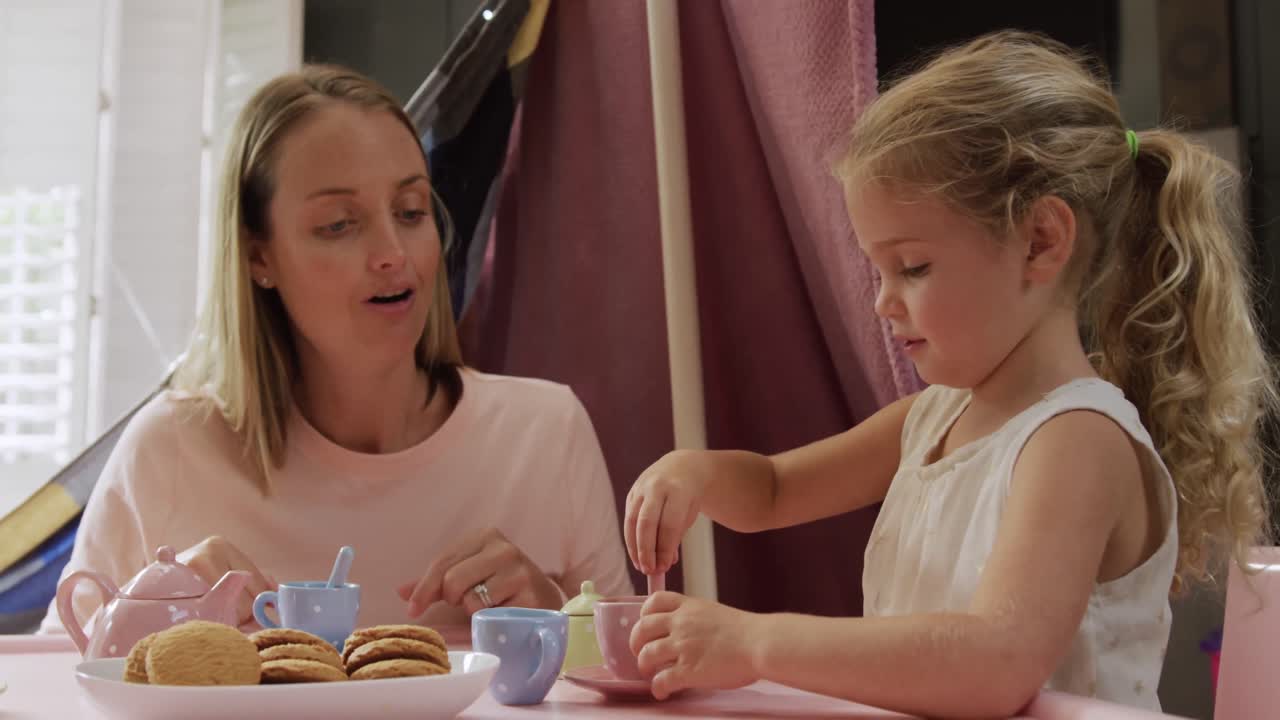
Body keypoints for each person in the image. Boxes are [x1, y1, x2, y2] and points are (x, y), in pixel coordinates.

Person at [623, 31, 1276, 716]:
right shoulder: (929, 419)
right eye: (878, 269)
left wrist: (755, 642)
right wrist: (693, 474)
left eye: (913, 267)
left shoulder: (1077, 441)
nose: (883, 300)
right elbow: (775, 490)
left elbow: (994, 662)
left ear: (1041, 242)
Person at [43, 65, 632, 635]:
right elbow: (48, 683)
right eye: (338, 225)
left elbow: (627, 692)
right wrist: (160, 619)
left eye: (410, 211)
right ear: (258, 258)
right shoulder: (169, 453)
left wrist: (556, 615)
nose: (393, 254)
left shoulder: (548, 434)